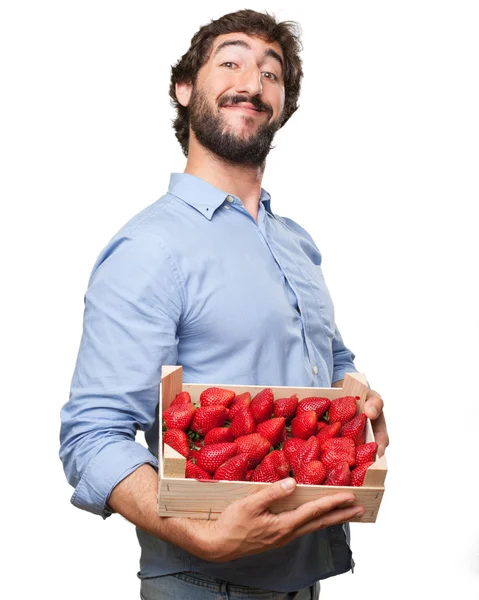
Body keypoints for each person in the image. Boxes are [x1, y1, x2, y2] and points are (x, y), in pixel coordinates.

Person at [59, 8, 389, 600]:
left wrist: (355, 399)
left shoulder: (296, 243)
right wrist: (195, 533)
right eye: (230, 61)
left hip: (306, 576)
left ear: (283, 106)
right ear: (184, 90)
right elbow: (93, 435)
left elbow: (335, 359)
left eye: (272, 73)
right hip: (202, 582)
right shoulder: (151, 247)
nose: (252, 81)